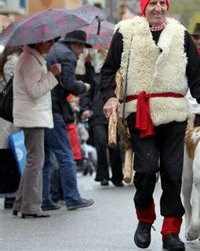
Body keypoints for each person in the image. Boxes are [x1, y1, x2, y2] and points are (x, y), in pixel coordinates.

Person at [99, 0, 200, 249]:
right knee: (146, 170)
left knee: (173, 173)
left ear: (167, 6)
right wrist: (109, 97)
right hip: (139, 114)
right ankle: (144, 218)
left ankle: (170, 231)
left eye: (162, 3)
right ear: (144, 7)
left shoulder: (180, 34)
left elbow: (198, 76)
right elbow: (107, 71)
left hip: (174, 113)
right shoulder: (126, 33)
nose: (158, 8)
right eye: (152, 3)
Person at [43, 30, 94, 212]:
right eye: (81, 47)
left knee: (46, 158)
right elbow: (69, 84)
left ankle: (46, 199)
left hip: (45, 107)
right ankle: (72, 198)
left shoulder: (55, 50)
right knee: (66, 156)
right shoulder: (68, 56)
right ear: (76, 44)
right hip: (55, 109)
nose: (81, 52)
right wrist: (84, 86)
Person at [11, 40, 61, 218]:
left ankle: (21, 203)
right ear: (39, 42)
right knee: (36, 161)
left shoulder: (31, 58)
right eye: (50, 41)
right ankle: (31, 207)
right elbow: (35, 90)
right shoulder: (30, 60)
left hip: (32, 115)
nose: (52, 44)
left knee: (34, 160)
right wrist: (52, 75)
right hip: (32, 117)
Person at [80, 52, 123, 187]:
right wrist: (85, 108)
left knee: (114, 145)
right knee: (101, 143)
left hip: (114, 114)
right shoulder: (94, 75)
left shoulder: (117, 75)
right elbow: (87, 92)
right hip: (97, 113)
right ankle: (103, 176)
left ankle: (117, 176)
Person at [0, 47, 21, 210]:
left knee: (7, 154)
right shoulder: (12, 62)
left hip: (5, 115)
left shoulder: (6, 61)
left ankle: (10, 194)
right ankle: (10, 194)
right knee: (9, 155)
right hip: (7, 115)